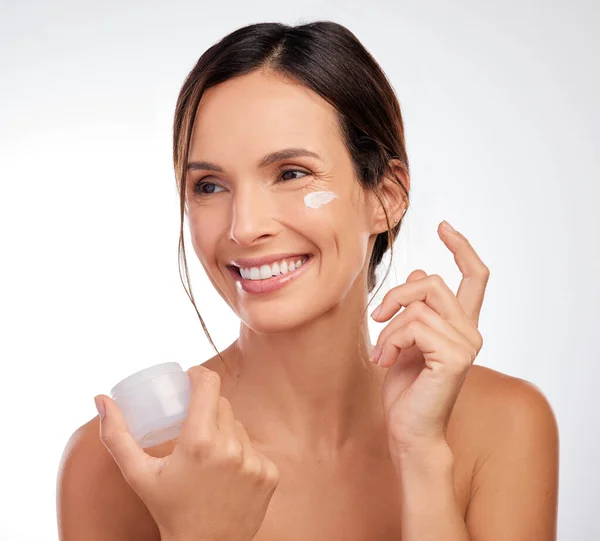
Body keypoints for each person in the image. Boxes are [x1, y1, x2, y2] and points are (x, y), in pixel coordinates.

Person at [56, 20, 559, 541]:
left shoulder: (504, 427)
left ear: (386, 196)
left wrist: (423, 459)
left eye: (292, 173)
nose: (245, 227)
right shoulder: (123, 462)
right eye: (209, 185)